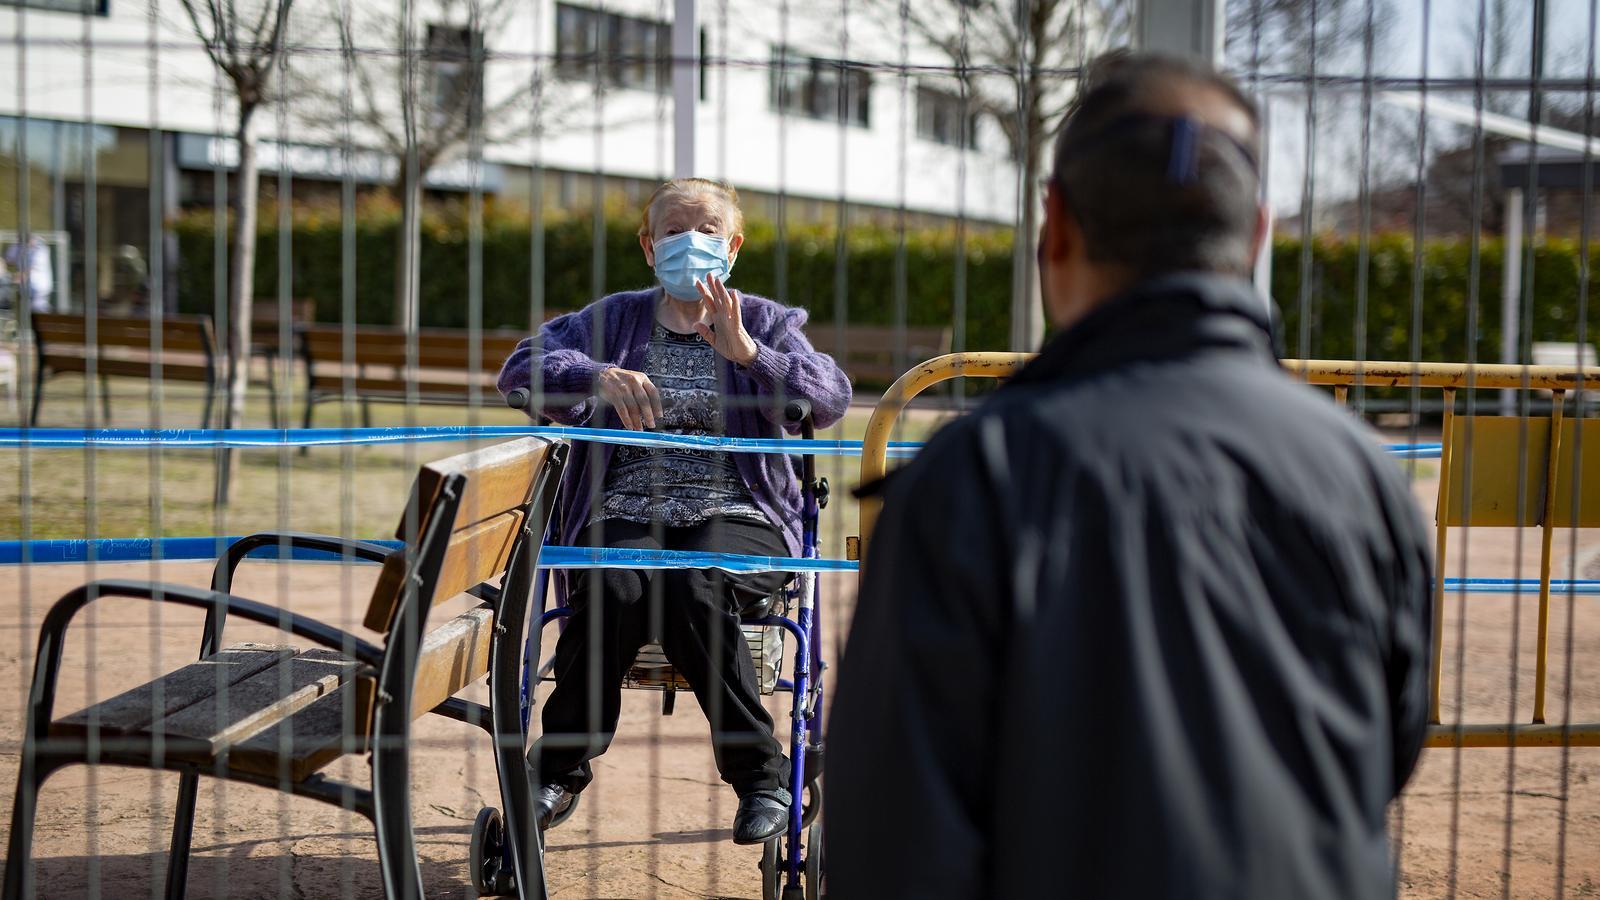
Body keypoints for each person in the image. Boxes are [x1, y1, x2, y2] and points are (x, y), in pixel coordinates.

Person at [826, 52, 1432, 899]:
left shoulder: (977, 480)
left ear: (1057, 225)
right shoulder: (1364, 473)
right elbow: (1387, 751)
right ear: (1258, 232)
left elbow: (889, 843)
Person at [497, 177, 851, 845]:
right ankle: (556, 773)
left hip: (741, 514)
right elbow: (521, 368)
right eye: (673, 231)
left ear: (734, 246)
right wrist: (595, 376)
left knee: (695, 577)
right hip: (628, 508)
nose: (691, 243)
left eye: (708, 230)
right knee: (613, 579)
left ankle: (760, 778)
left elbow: (829, 398)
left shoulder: (769, 321)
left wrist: (749, 353)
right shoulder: (616, 319)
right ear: (648, 245)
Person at [3, 235, 53, 312]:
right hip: (29, 293)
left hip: (37, 292)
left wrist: (9, 278)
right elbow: (8, 260)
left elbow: (28, 272)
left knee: (37, 312)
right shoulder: (22, 248)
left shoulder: (40, 250)